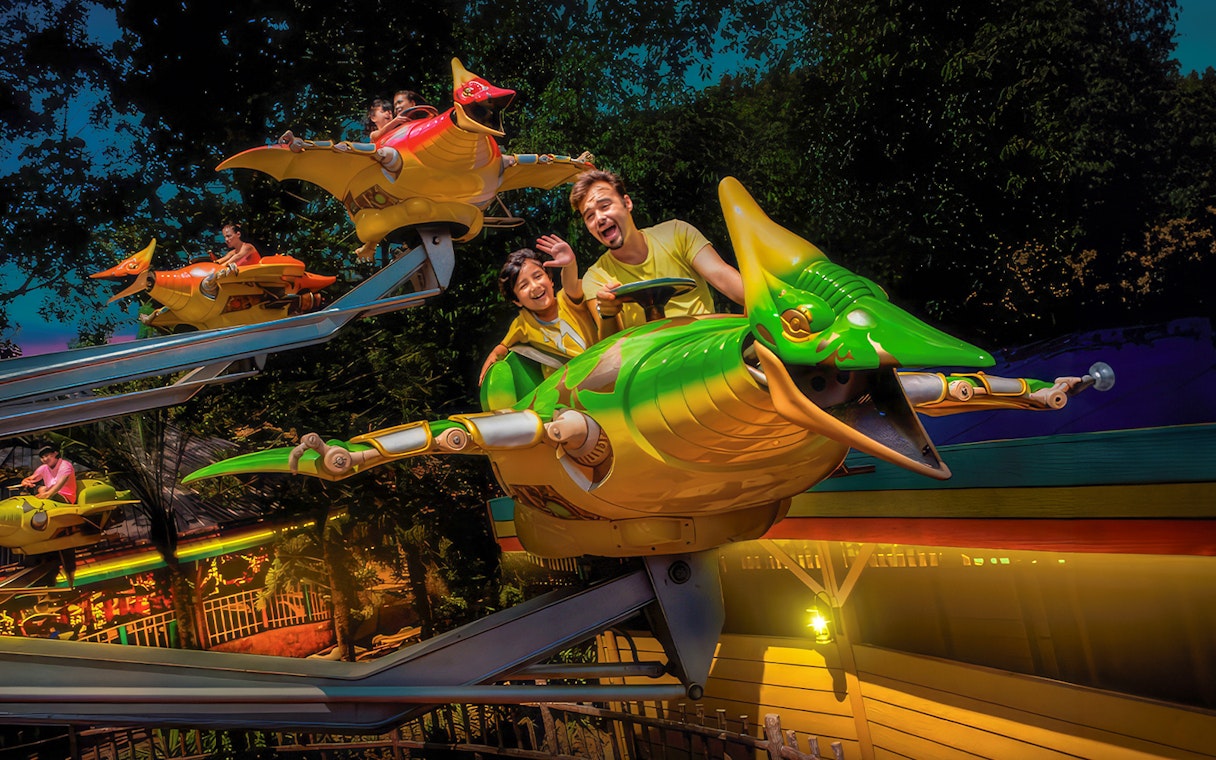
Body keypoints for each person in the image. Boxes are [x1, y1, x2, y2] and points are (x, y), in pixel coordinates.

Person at [563, 169, 744, 335]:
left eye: (605, 206)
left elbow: (723, 277)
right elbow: (612, 347)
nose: (599, 218)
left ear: (627, 203)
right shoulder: (595, 278)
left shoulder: (677, 233)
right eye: (590, 216)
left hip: (708, 344)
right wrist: (608, 314)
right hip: (651, 363)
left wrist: (763, 303)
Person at [479, 237, 598, 385]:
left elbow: (571, 283)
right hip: (564, 389)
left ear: (550, 279)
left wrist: (569, 264)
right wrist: (493, 357)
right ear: (517, 300)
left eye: (538, 276)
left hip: (598, 371)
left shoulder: (567, 299)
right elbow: (503, 346)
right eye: (523, 286)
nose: (534, 286)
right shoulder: (523, 324)